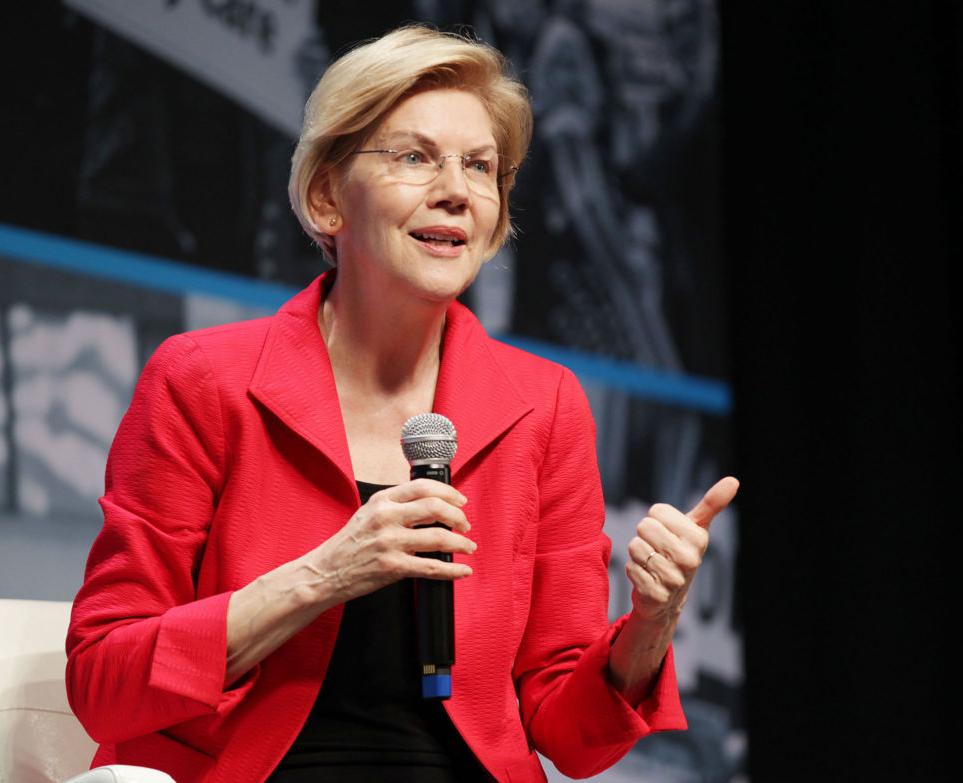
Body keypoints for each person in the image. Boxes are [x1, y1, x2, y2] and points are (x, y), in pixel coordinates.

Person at [66, 24, 739, 783]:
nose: (456, 188)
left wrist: (650, 624)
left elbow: (572, 736)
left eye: (480, 166)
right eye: (415, 157)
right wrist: (324, 574)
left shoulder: (544, 405)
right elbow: (102, 682)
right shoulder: (203, 379)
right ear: (327, 197)